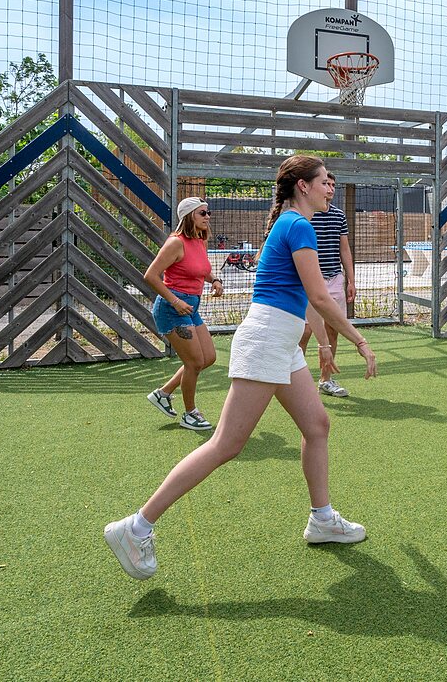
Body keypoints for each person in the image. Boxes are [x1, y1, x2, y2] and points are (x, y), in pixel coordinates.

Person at [105, 155, 378, 581]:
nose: (330, 188)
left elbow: (303, 298)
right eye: (325, 182)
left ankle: (322, 518)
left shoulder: (289, 224)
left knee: (317, 425)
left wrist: (323, 342)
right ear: (303, 186)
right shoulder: (297, 225)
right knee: (226, 445)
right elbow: (322, 297)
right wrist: (359, 339)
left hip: (281, 341)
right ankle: (135, 527)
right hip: (268, 340)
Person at [143, 197, 223, 432]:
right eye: (203, 213)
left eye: (208, 213)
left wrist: (215, 279)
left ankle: (163, 393)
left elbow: (201, 270)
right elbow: (150, 275)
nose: (208, 217)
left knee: (208, 358)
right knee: (195, 362)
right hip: (172, 309)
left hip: (191, 308)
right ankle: (190, 414)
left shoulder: (199, 240)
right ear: (189, 216)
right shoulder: (175, 243)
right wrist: (175, 301)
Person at [298, 171, 357, 397]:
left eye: (332, 184)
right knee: (305, 331)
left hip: (334, 279)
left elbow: (344, 249)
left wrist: (350, 280)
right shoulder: (304, 216)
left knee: (333, 329)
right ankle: (298, 381)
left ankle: (326, 380)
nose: (330, 188)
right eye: (325, 184)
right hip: (310, 281)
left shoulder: (339, 216)